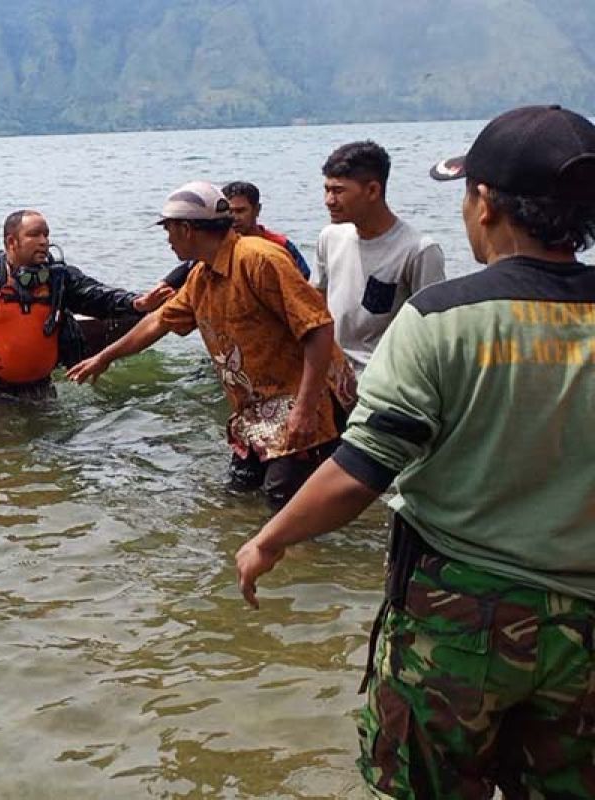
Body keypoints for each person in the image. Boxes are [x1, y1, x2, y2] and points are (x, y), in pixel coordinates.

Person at [236, 105, 595, 798]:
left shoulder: (442, 320)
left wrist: (270, 539)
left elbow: (361, 470)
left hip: (458, 622)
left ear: (485, 203)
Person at [68, 182, 356, 508]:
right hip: (257, 412)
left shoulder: (260, 260)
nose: (167, 239)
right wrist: (105, 357)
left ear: (188, 229)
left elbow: (319, 329)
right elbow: (159, 321)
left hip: (304, 401)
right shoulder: (201, 276)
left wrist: (304, 409)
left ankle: (308, 556)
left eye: (169, 230)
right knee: (237, 497)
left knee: (287, 503)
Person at [0, 209, 171, 401]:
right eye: (35, 235)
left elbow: (98, 297)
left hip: (41, 389)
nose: (44, 241)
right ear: (11, 241)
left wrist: (137, 303)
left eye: (46, 234)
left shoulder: (58, 277)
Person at [315, 140, 446, 372]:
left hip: (385, 381)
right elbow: (316, 301)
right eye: (326, 190)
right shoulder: (330, 237)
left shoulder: (418, 250)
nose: (329, 201)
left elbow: (434, 332)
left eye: (338, 191)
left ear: (373, 190)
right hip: (332, 375)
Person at [158, 181, 310, 289]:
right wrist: (163, 285)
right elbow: (189, 267)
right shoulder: (217, 247)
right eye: (230, 212)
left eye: (241, 211)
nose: (235, 218)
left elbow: (303, 279)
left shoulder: (279, 245)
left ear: (257, 210)